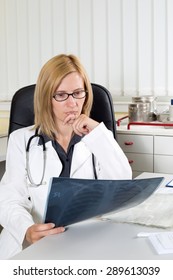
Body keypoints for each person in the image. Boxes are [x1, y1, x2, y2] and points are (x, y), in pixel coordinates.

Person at [0, 54, 132, 259]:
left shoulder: (96, 137)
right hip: (35, 244)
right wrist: (27, 230)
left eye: (78, 93)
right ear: (46, 98)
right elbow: (9, 199)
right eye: (61, 95)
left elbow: (123, 184)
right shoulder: (21, 140)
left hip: (85, 240)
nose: (72, 103)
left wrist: (98, 133)